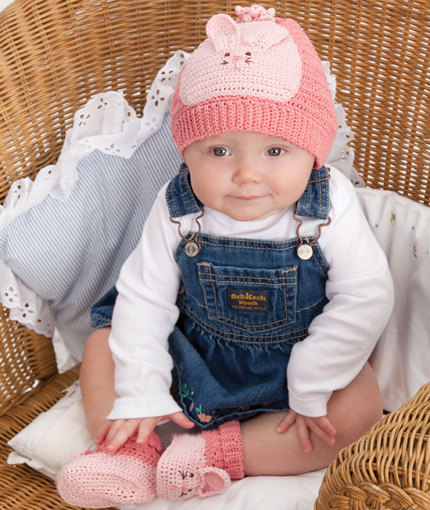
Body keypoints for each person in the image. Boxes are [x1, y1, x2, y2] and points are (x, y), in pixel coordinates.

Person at [56, 4, 394, 508]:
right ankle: (136, 450)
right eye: (219, 151)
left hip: (294, 369)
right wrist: (143, 389)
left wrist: (312, 378)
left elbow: (365, 295)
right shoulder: (178, 207)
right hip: (192, 355)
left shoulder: (328, 207)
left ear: (312, 152)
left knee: (359, 406)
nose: (247, 174)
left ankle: (211, 455)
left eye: (275, 152)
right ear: (186, 152)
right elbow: (145, 297)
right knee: (104, 347)